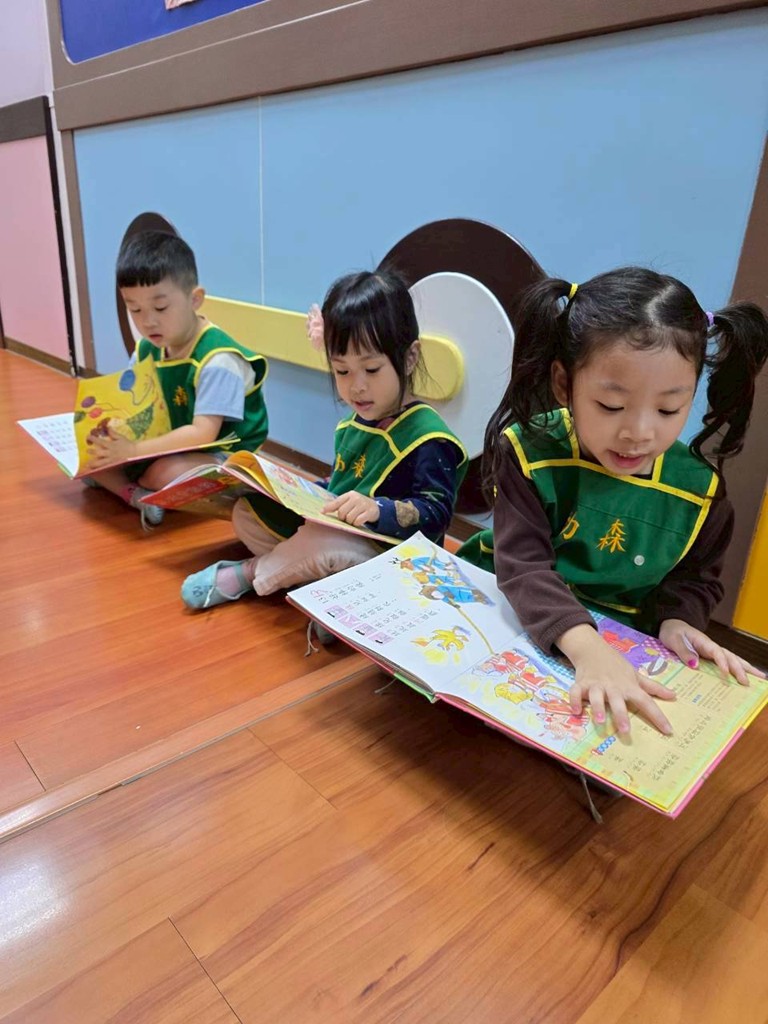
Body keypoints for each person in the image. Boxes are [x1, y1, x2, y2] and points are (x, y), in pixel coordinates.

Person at [458, 267, 768, 735]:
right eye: (611, 406)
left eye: (668, 409)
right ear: (564, 384)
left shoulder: (698, 491)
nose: (639, 432)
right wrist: (589, 650)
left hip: (619, 638)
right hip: (514, 610)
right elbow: (523, 566)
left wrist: (679, 621)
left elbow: (694, 578)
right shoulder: (529, 451)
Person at [181, 268, 467, 609]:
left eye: (371, 370)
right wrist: (295, 492)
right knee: (247, 514)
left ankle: (250, 572)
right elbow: (341, 484)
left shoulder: (429, 438)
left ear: (409, 358)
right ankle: (325, 589)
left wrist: (378, 510)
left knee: (324, 543)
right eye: (342, 371)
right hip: (341, 539)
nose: (356, 386)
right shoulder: (352, 424)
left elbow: (436, 514)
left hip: (395, 562)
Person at [84, 231, 268, 527]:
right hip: (171, 443)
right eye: (135, 309)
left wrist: (132, 452)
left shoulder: (218, 359)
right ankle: (136, 496)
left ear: (195, 299)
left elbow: (202, 434)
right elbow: (133, 404)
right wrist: (111, 434)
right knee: (92, 456)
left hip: (220, 453)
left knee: (161, 473)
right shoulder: (147, 349)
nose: (148, 321)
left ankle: (136, 486)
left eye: (160, 308)